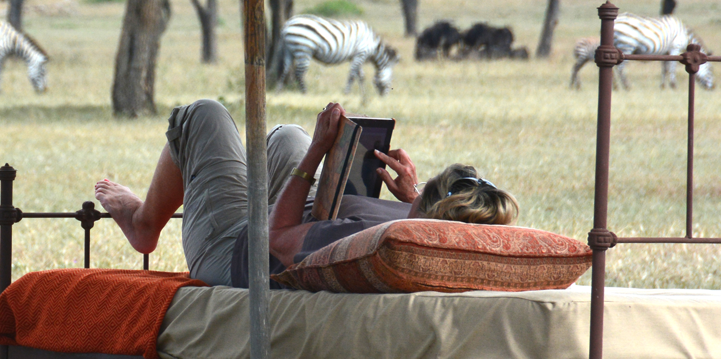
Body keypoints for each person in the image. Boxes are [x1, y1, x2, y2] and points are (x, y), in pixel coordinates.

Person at [94, 99, 519, 288]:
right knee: (286, 138)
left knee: (203, 116)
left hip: (234, 249)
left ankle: (143, 222)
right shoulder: (420, 231)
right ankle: (261, 169)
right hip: (289, 221)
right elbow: (424, 225)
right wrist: (411, 201)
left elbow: (277, 241)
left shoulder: (382, 241)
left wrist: (318, 152)